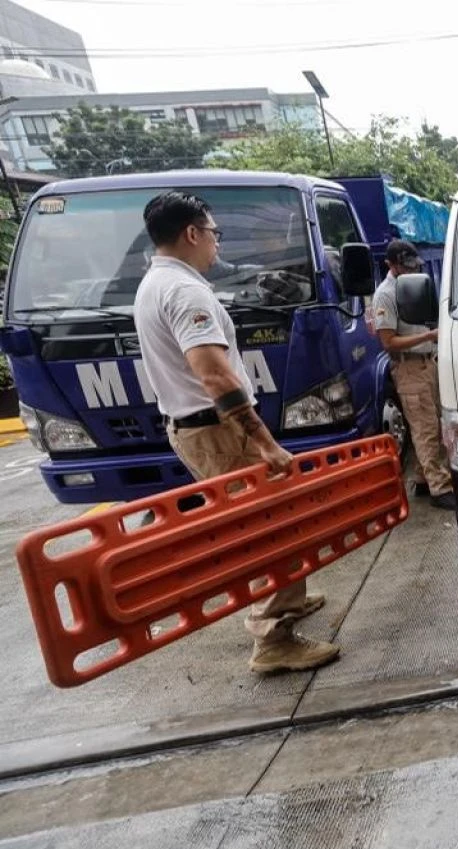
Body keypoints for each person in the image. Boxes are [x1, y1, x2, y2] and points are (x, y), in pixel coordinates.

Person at [133, 191, 340, 676]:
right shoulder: (184, 291)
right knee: (274, 527)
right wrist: (264, 442)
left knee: (264, 522)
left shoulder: (153, 284)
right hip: (221, 431)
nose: (216, 245)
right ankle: (273, 636)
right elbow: (215, 376)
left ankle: (289, 597)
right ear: (192, 233)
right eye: (214, 234)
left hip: (197, 429)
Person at [372, 239, 455, 509]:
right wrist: (430, 335)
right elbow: (388, 341)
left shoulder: (416, 285)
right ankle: (440, 488)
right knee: (426, 429)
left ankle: (423, 478)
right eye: (404, 267)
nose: (409, 271)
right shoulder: (386, 294)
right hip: (409, 367)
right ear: (391, 265)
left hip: (427, 363)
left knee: (433, 423)